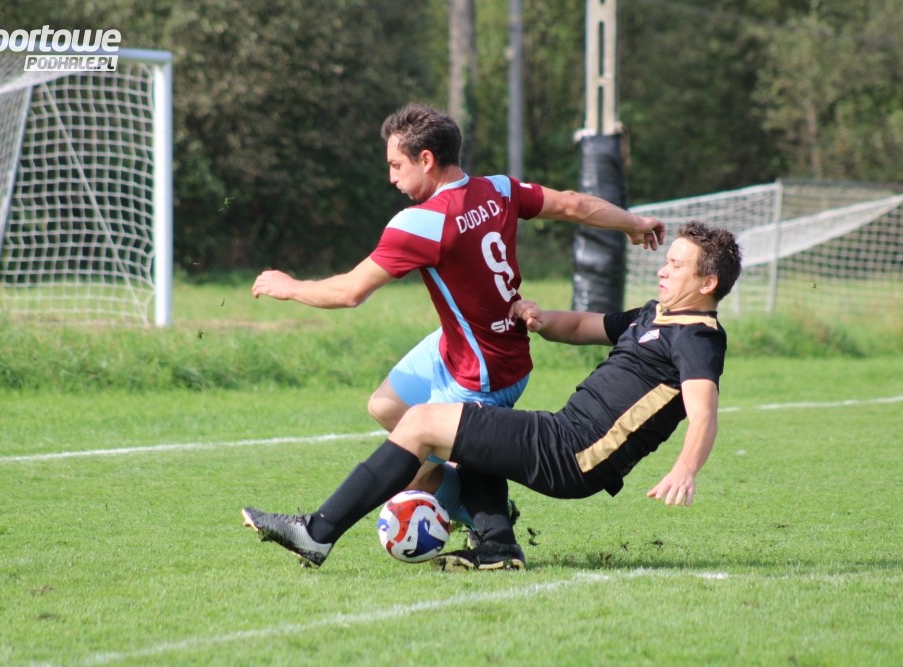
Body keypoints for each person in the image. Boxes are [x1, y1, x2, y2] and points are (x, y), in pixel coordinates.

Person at [243, 221, 743, 570]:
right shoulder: (655, 314)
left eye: (676, 265)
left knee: (421, 422)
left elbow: (703, 413)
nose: (663, 270)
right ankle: (498, 546)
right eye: (667, 261)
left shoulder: (698, 337)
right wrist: (540, 319)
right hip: (565, 434)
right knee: (472, 423)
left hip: (577, 451)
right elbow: (583, 326)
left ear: (708, 282)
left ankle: (316, 532)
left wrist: (686, 469)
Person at [251, 102, 665, 523]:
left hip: (482, 372)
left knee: (412, 471)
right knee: (385, 405)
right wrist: (632, 223)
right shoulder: (498, 189)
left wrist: (290, 287)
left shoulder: (420, 223)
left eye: (396, 165)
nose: (391, 177)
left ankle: (478, 520)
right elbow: (573, 204)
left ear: (426, 160)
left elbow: (350, 292)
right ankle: (467, 488)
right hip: (465, 345)